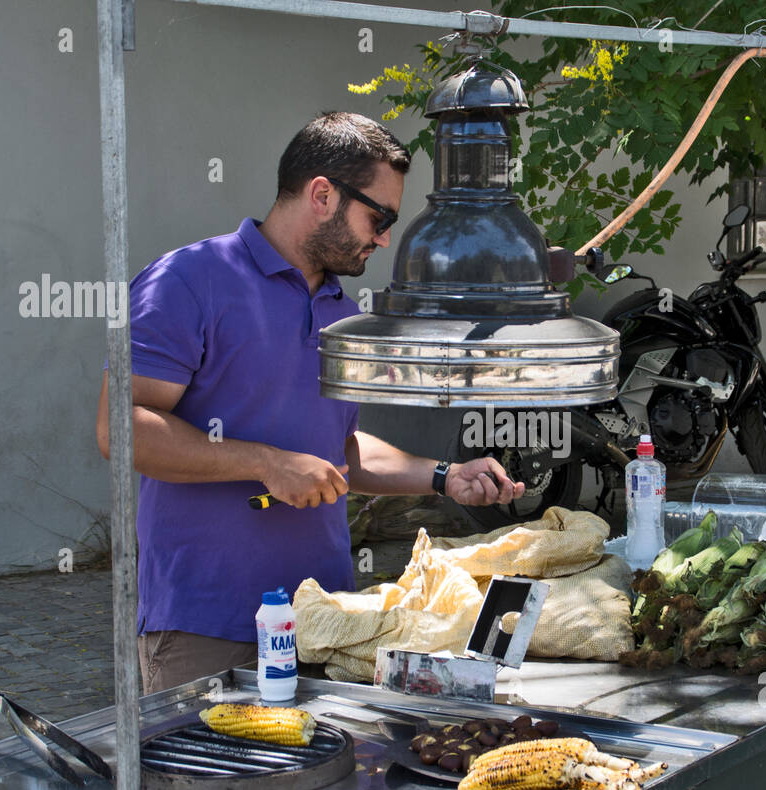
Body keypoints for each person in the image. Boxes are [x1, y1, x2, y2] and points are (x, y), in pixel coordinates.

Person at [96, 112, 524, 694]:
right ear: (322, 194)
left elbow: (339, 449)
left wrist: (444, 475)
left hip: (328, 620)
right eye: (380, 217)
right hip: (206, 623)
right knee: (212, 785)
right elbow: (121, 430)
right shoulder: (189, 280)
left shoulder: (343, 314)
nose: (384, 238)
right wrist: (265, 463)